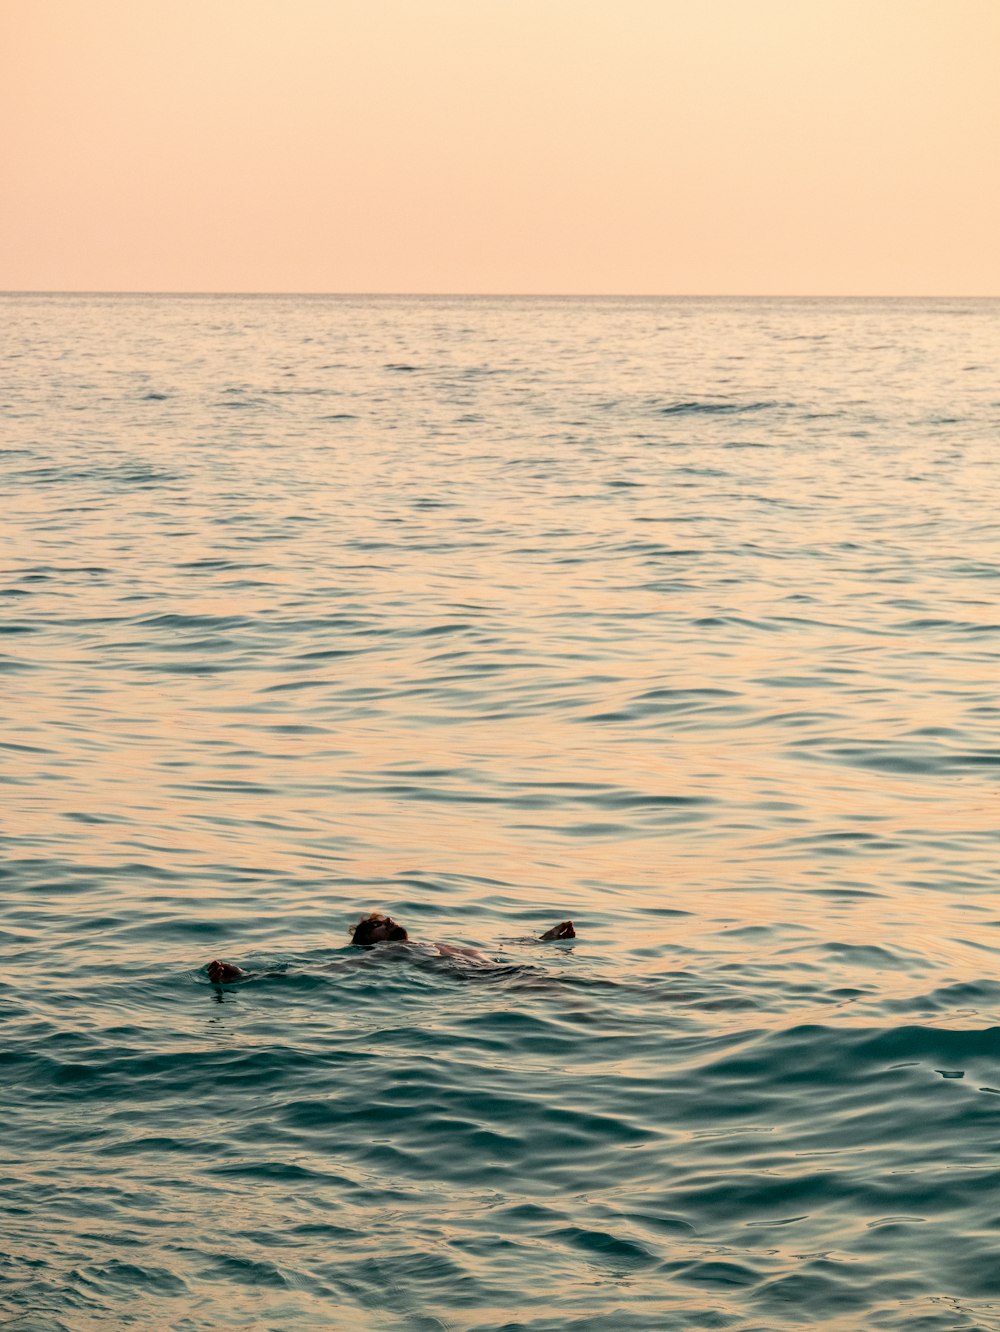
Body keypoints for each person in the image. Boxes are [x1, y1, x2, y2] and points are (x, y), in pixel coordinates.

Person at [206, 913, 575, 983]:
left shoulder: (432, 942)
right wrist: (249, 977)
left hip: (504, 969)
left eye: (387, 920)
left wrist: (543, 941)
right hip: (488, 981)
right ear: (370, 942)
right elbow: (327, 971)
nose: (389, 923)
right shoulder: (385, 955)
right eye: (379, 925)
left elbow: (494, 944)